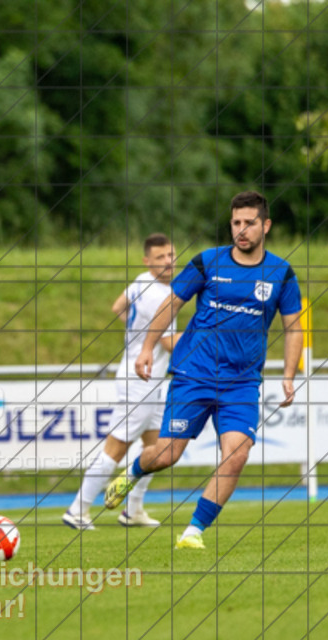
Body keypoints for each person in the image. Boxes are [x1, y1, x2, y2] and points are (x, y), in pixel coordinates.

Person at [104, 190, 303, 549]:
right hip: (193, 375)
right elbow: (171, 303)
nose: (241, 230)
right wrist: (147, 347)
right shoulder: (207, 262)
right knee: (166, 454)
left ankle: (193, 531)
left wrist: (289, 375)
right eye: (236, 223)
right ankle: (133, 472)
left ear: (266, 225)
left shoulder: (281, 274)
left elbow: (294, 327)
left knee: (238, 453)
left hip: (241, 383)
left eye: (249, 223)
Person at [63, 234, 180, 531]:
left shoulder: (142, 281)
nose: (168, 262)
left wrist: (138, 333)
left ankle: (133, 510)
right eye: (161, 257)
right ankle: (78, 510)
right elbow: (169, 344)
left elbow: (118, 307)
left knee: (156, 447)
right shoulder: (161, 296)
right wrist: (207, 341)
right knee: (117, 447)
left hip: (148, 378)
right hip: (139, 379)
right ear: (147, 261)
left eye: (171, 255)